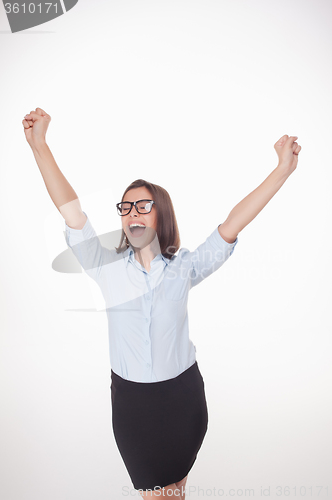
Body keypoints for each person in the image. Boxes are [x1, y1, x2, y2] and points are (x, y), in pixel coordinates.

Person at [22, 107, 301, 499]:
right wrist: (40, 146)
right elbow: (71, 211)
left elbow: (234, 222)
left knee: (175, 494)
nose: (132, 213)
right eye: (126, 207)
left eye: (143, 206)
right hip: (134, 406)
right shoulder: (105, 267)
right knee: (158, 496)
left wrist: (281, 171)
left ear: (160, 214)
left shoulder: (184, 268)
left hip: (183, 398)